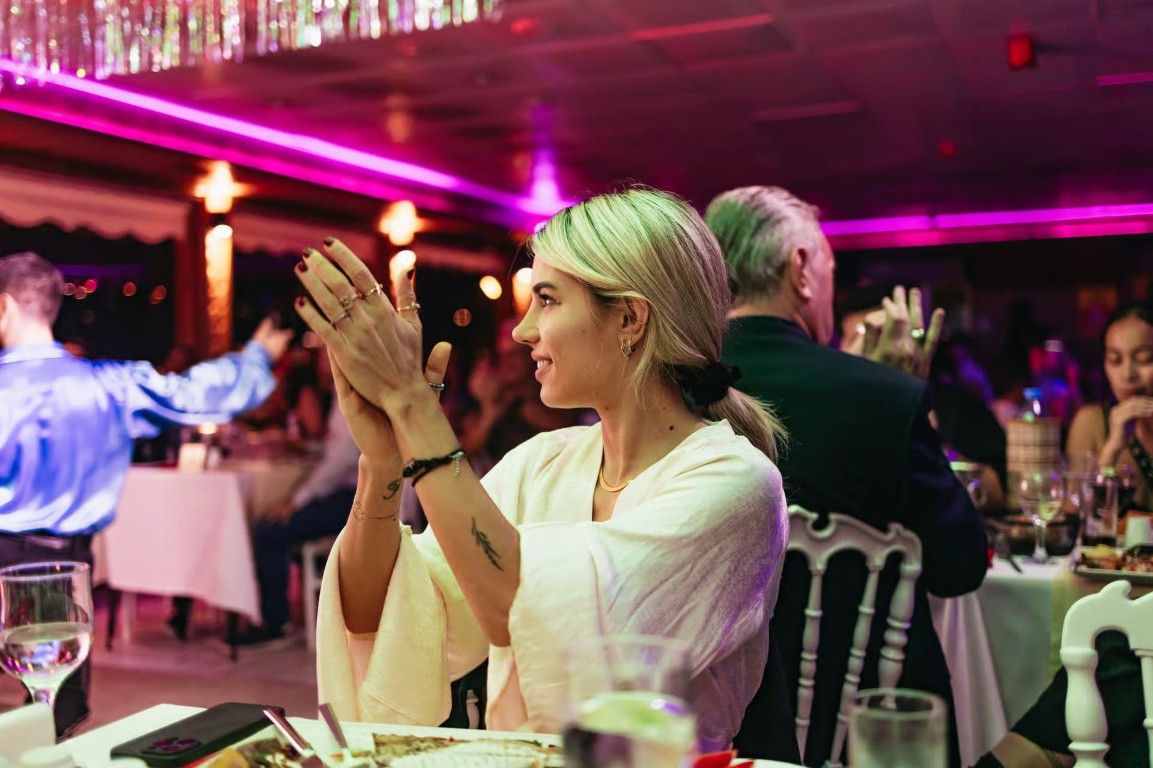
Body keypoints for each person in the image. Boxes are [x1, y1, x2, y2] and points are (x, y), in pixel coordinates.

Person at [294, 189, 789, 752]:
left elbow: (516, 609)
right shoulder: (543, 462)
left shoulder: (735, 484)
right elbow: (379, 614)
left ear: (629, 319)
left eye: (547, 301)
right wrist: (383, 462)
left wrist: (413, 406)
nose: (521, 331)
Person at [704, 186, 987, 767]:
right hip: (864, 729)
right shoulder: (884, 395)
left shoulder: (672, 385)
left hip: (714, 720)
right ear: (801, 269)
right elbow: (960, 568)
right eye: (830, 270)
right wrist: (896, 397)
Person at [0, 251, 290, 736]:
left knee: (45, 706)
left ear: (4, 305)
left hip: (19, 557)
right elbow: (197, 393)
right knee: (54, 712)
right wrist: (256, 357)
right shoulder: (108, 386)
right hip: (62, 566)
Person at [238, 348, 359, 647]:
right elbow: (339, 451)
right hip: (358, 493)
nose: (321, 363)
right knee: (271, 521)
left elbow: (340, 462)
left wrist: (296, 500)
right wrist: (306, 448)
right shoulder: (349, 391)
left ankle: (275, 624)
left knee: (269, 529)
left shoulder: (353, 394)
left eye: (326, 356)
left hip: (358, 499)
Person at [1066, 299, 1153, 510]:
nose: (1128, 374)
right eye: (1115, 360)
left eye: (1144, 359)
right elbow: (1073, 511)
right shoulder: (1092, 422)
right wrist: (1111, 451)